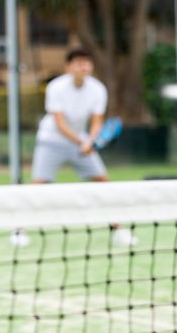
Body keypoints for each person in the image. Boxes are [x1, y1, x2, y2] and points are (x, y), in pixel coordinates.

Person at [20, 48, 137, 247]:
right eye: (79, 62)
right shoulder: (56, 87)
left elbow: (97, 121)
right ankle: (19, 230)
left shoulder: (98, 89)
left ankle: (119, 230)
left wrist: (90, 141)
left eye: (87, 62)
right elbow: (59, 122)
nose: (84, 66)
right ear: (69, 67)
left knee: (103, 183)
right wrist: (82, 143)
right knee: (39, 186)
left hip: (82, 142)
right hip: (51, 140)